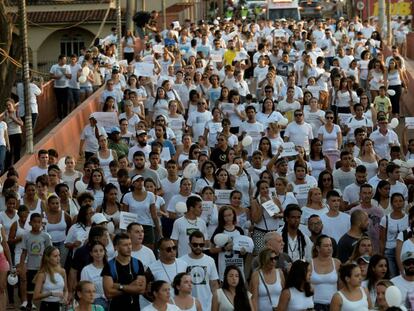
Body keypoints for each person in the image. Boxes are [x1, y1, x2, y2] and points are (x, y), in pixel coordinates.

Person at [102, 233, 146, 310]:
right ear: (116, 247)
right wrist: (131, 287)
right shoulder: (110, 265)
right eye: (125, 245)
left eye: (130, 244)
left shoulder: (137, 263)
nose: (129, 247)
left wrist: (120, 286)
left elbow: (141, 289)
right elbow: (108, 293)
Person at [20, 213, 52, 310]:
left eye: (39, 222)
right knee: (30, 287)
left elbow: (49, 252)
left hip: (43, 267)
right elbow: (24, 252)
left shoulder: (46, 236)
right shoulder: (26, 236)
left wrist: (49, 265)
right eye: (35, 222)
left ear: (42, 224)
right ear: (30, 223)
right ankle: (29, 303)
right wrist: (22, 266)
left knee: (45, 285)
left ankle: (45, 304)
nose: (37, 224)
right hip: (31, 266)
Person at [180, 230, 219, 311]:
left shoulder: (210, 261)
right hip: (188, 307)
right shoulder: (181, 261)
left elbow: (214, 285)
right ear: (189, 244)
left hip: (207, 306)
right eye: (195, 244)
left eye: (201, 245)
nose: (198, 247)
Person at [121, 174, 161, 249]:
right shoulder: (127, 196)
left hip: (148, 226)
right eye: (137, 181)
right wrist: (124, 232)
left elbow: (154, 215)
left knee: (149, 251)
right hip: (133, 228)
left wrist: (159, 231)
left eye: (141, 180)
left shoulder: (150, 195)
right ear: (133, 183)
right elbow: (125, 215)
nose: (140, 182)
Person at [209, 206, 245, 280]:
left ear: (234, 215)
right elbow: (211, 249)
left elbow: (244, 249)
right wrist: (224, 248)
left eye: (230, 215)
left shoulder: (239, 230)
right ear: (222, 217)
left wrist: (243, 252)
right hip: (224, 264)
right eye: (225, 216)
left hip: (237, 263)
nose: (228, 218)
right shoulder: (219, 230)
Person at [33, 246, 68, 311]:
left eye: (59, 255)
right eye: (55, 256)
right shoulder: (42, 274)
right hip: (47, 306)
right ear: (48, 258)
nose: (58, 258)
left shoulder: (62, 271)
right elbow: (35, 296)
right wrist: (51, 293)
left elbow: (66, 290)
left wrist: (65, 297)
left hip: (60, 306)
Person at [311, 234, 340, 310]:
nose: (329, 248)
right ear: (318, 248)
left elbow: (342, 286)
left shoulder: (337, 263)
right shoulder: (310, 263)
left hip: (334, 305)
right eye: (326, 246)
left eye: (330, 245)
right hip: (315, 304)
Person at [80, 241, 108, 309]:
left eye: (101, 251)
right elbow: (84, 289)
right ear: (91, 253)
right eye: (95, 251)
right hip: (95, 300)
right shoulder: (86, 270)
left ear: (104, 252)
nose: (98, 253)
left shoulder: (110, 267)